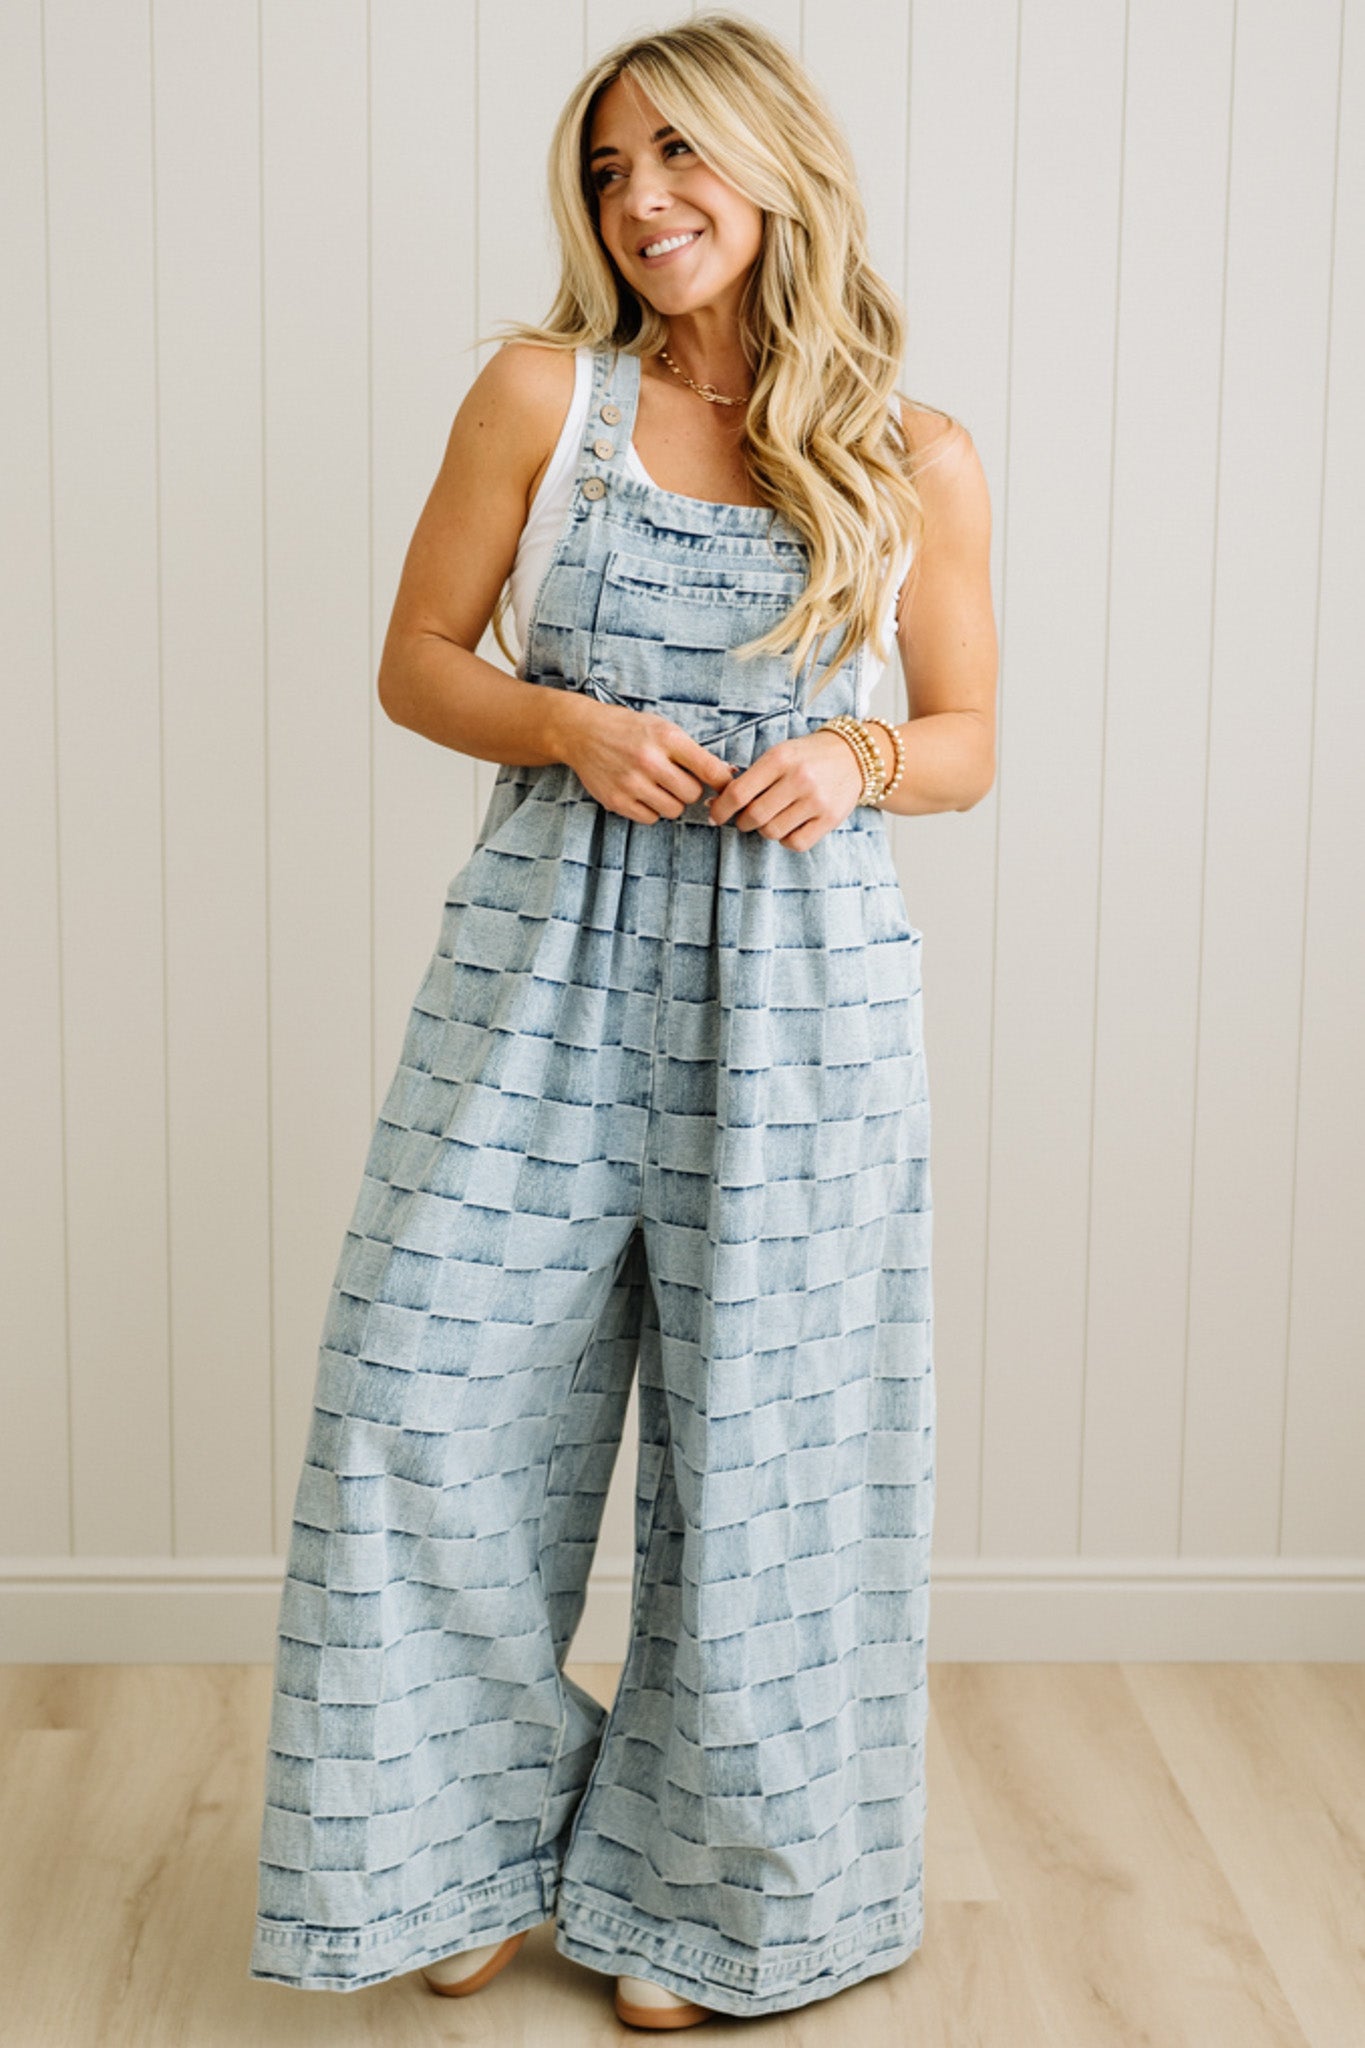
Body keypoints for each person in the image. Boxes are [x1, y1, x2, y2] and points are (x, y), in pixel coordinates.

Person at [246, 10, 996, 2031]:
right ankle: (455, 1841)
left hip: (806, 995)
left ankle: (700, 1895)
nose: (641, 201)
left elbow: (965, 736)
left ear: (773, 167)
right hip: (542, 958)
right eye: (604, 169)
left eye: (676, 157)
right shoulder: (538, 396)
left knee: (762, 1463)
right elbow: (417, 661)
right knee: (424, 1404)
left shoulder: (909, 450)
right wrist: (560, 718)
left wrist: (852, 755)